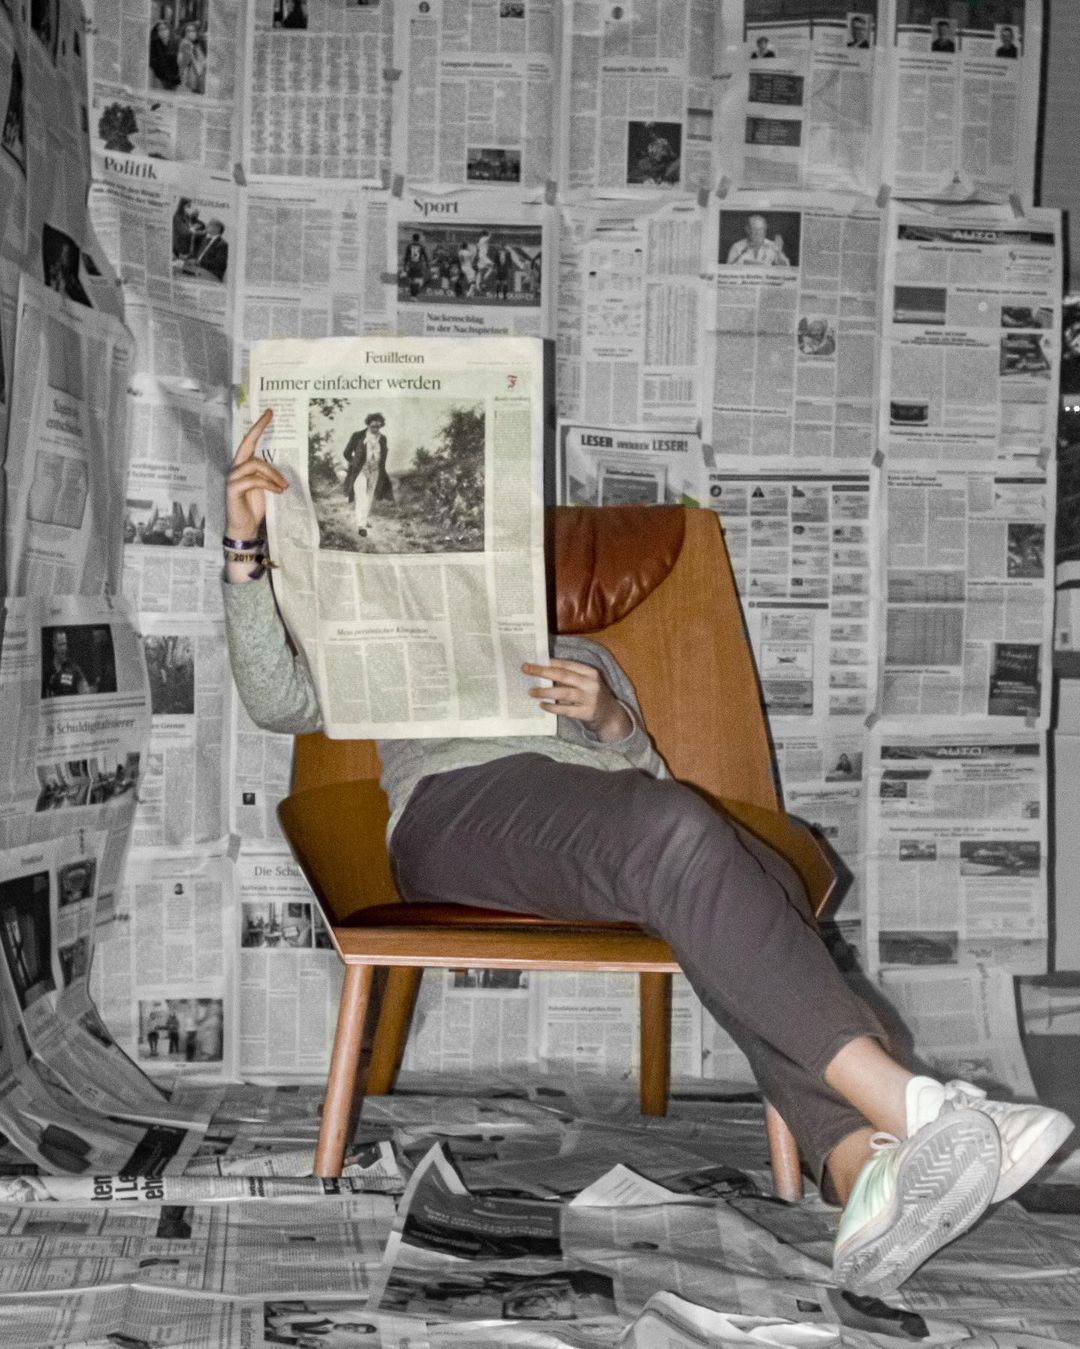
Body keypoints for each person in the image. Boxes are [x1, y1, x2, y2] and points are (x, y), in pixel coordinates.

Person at [223, 410, 1073, 1297]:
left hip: (589, 827)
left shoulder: (584, 655)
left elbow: (651, 791)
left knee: (758, 877)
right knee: (682, 836)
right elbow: (277, 695)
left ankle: (860, 1171)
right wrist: (245, 544)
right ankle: (915, 1105)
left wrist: (611, 720)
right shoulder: (389, 634)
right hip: (457, 813)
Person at [340, 412, 393, 537]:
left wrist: (379, 467)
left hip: (375, 471)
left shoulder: (383, 438)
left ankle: (364, 518)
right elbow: (347, 453)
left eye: (378, 426)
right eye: (373, 426)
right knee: (361, 497)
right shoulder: (358, 436)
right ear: (368, 424)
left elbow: (383, 455)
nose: (376, 429)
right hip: (361, 471)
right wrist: (354, 463)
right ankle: (361, 526)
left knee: (369, 497)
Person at [726, 213, 790, 267]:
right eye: (754, 229)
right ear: (747, 230)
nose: (758, 233)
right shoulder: (737, 247)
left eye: (761, 229)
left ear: (765, 230)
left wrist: (778, 253)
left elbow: (787, 269)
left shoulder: (773, 246)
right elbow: (727, 270)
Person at [43, 631, 89, 698]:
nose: (63, 648)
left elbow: (85, 691)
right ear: (54, 645)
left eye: (64, 644)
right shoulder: (47, 669)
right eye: (60, 645)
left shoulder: (74, 668)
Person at [149, 20, 180, 89]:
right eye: (160, 29)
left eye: (165, 28)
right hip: (159, 77)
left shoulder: (176, 42)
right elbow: (152, 61)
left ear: (169, 30)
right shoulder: (154, 44)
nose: (163, 31)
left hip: (175, 77)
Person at [177, 22, 206, 93]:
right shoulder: (184, 45)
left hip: (203, 80)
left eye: (193, 30)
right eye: (188, 31)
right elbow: (181, 64)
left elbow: (200, 68)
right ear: (184, 34)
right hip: (190, 82)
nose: (191, 33)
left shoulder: (201, 44)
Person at [401, 232, 429, 298]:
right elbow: (425, 256)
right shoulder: (421, 246)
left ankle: (412, 295)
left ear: (412, 238)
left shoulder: (409, 246)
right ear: (419, 239)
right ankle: (414, 295)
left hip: (411, 265)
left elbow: (406, 257)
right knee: (418, 280)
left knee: (411, 280)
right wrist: (427, 264)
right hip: (418, 266)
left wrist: (404, 266)